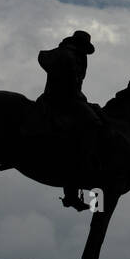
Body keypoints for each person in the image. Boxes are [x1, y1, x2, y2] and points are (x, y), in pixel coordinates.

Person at [35, 30, 106, 212]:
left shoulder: (72, 54)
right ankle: (77, 178)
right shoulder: (68, 56)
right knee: (93, 125)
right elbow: (71, 87)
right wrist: (85, 103)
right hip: (64, 101)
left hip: (65, 99)